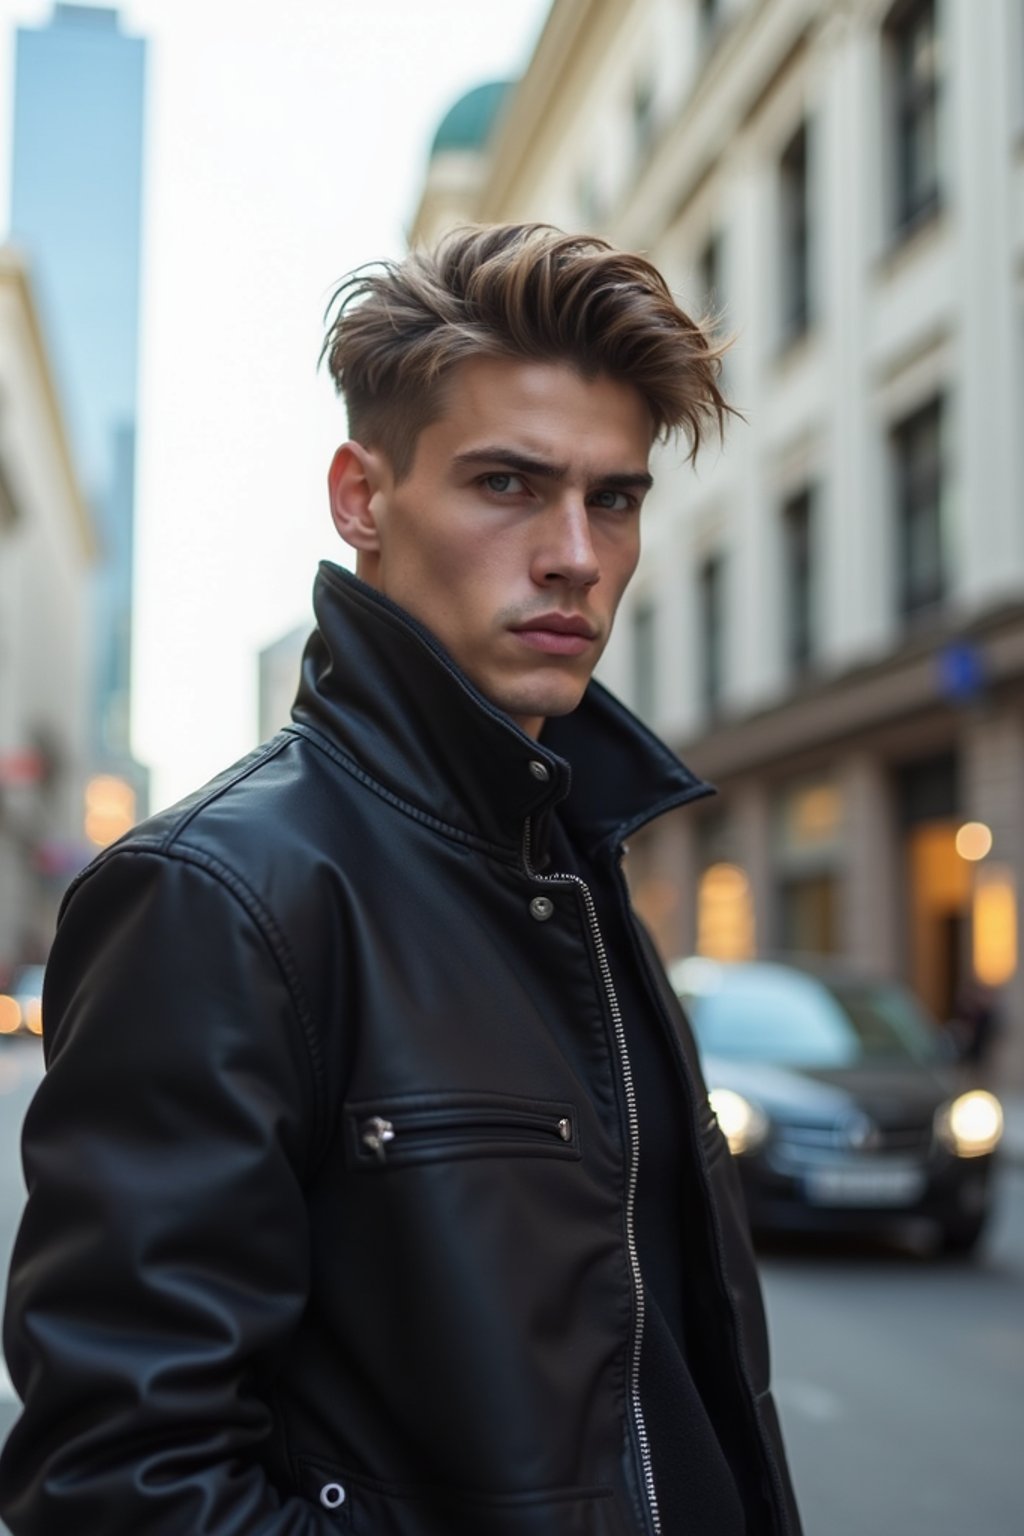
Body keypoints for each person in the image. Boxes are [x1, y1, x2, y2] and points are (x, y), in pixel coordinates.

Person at [0, 224, 802, 1536]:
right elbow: (120, 1489)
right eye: (506, 484)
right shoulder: (221, 897)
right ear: (363, 499)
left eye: (614, 497)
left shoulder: (576, 865)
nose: (575, 555)